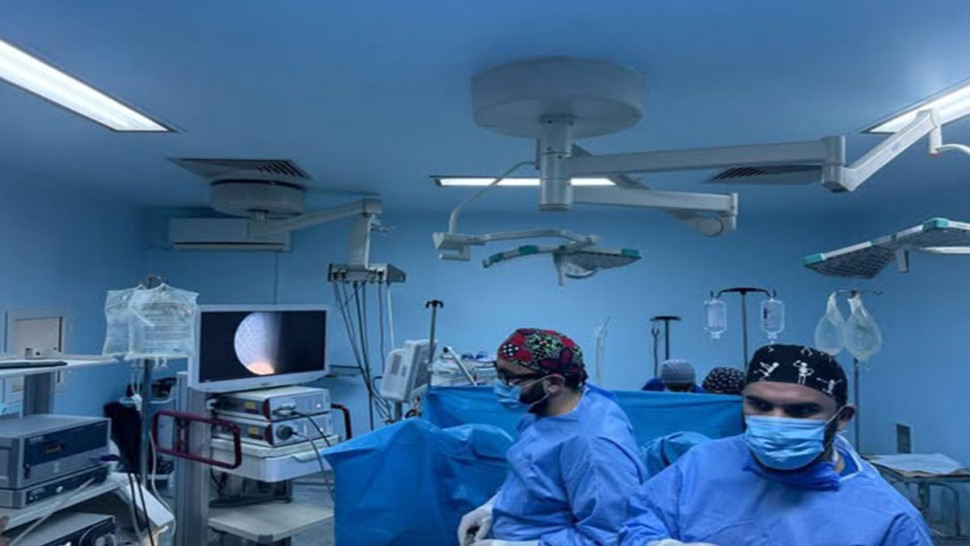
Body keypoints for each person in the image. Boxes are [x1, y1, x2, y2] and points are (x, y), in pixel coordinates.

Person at [621, 344, 933, 546]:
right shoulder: (702, 465)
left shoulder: (888, 519)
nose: (776, 422)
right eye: (760, 406)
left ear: (842, 418)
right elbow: (638, 523)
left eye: (801, 411)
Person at [458, 328, 646, 546]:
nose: (500, 385)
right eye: (498, 373)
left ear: (554, 382)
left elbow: (610, 538)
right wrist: (491, 508)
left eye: (509, 378)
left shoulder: (595, 447)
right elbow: (532, 478)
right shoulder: (547, 408)